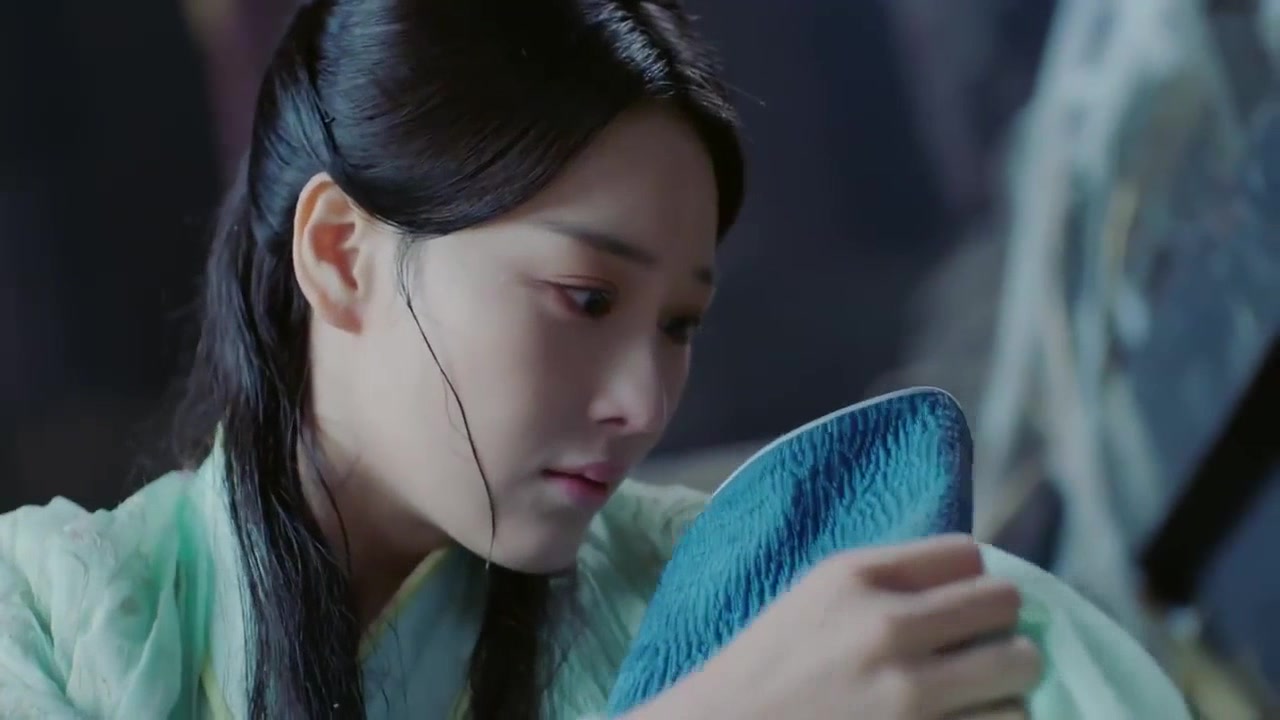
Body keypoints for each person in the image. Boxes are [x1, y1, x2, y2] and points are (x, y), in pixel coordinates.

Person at [0, 1, 1187, 718]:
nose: (643, 402)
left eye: (676, 325)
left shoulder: (754, 591)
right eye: (584, 298)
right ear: (339, 253)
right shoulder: (42, 615)